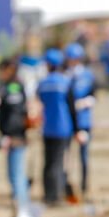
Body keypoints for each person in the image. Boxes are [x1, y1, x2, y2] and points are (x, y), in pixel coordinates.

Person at [0, 55, 37, 217]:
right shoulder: (7, 87)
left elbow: (15, 115)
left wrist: (8, 134)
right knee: (12, 176)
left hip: (16, 137)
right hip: (10, 137)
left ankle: (24, 212)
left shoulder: (14, 87)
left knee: (17, 177)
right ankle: (20, 210)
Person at [35, 48, 71, 206]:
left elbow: (38, 101)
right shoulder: (66, 82)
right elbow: (71, 105)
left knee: (48, 162)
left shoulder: (43, 83)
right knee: (58, 162)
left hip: (47, 127)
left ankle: (48, 193)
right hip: (63, 127)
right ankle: (56, 196)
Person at [64, 43, 95, 201]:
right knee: (66, 158)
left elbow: (93, 94)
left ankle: (84, 187)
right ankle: (67, 189)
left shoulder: (87, 75)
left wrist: (85, 102)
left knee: (84, 157)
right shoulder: (65, 76)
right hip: (68, 122)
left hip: (84, 121)